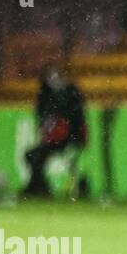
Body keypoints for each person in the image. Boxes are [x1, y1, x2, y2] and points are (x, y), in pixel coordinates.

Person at [23, 66, 87, 198]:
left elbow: (73, 123)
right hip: (60, 140)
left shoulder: (64, 97)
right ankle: (40, 187)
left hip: (65, 140)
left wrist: (69, 139)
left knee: (35, 157)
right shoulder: (66, 95)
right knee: (34, 157)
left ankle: (39, 187)